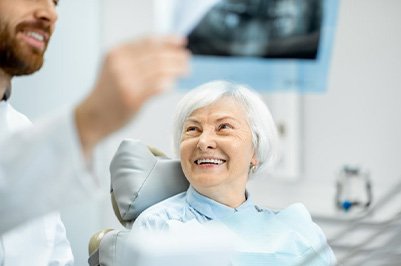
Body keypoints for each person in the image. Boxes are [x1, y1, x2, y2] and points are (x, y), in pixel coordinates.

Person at [0, 0, 189, 264]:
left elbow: (56, 255)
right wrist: (89, 121)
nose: (50, 13)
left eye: (55, 3)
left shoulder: (21, 129)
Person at [133, 80, 336, 265]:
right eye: (193, 129)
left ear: (255, 150)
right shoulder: (159, 226)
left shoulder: (298, 230)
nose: (203, 142)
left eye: (224, 127)